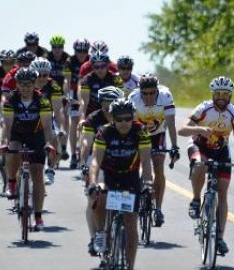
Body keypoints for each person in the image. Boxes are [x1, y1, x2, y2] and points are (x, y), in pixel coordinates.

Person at [178, 76, 234, 255]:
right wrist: (199, 129)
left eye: (225, 94)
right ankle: (195, 199)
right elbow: (182, 129)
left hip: (221, 151)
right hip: (199, 146)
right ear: (213, 94)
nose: (221, 97)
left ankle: (219, 238)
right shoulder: (203, 108)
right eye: (218, 94)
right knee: (200, 165)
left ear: (230, 95)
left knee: (223, 194)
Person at [87, 98, 152, 270]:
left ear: (133, 117)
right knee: (99, 195)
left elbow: (146, 162)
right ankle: (100, 233)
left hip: (130, 178)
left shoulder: (141, 131)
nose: (124, 122)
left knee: (131, 224)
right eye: (119, 119)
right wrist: (93, 183)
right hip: (109, 176)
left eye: (128, 118)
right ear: (113, 119)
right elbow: (95, 162)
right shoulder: (104, 132)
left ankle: (130, 266)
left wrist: (148, 183)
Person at [1, 67, 54, 230]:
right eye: (22, 85)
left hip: (36, 135)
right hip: (17, 133)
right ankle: (11, 182)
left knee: (37, 174)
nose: (25, 88)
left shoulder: (42, 101)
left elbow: (46, 126)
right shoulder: (11, 100)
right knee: (13, 150)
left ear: (34, 84)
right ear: (17, 85)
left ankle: (38, 216)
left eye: (29, 85)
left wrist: (48, 143)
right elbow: (7, 125)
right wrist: (4, 142)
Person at [128, 73, 179, 227]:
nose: (149, 97)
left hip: (158, 134)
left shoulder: (165, 96)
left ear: (157, 90)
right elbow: (128, 125)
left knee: (158, 165)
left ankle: (158, 209)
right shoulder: (133, 98)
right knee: (138, 165)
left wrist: (175, 146)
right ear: (139, 91)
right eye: (145, 93)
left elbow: (170, 124)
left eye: (152, 93)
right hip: (138, 134)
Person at [80, 86, 124, 256]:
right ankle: (94, 238)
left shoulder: (124, 117)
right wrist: (84, 163)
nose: (108, 106)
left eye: (112, 102)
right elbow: (86, 144)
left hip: (119, 158)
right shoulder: (93, 118)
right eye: (105, 102)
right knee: (94, 199)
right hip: (97, 156)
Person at [29, 57, 65, 185]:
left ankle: (50, 169)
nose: (42, 78)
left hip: (47, 117)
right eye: (39, 75)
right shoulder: (27, 83)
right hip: (28, 116)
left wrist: (60, 128)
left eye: (45, 75)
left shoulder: (53, 85)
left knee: (57, 147)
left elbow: (58, 109)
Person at [63, 38, 91, 169]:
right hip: (74, 91)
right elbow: (66, 82)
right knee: (74, 120)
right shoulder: (70, 61)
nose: (82, 53)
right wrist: (67, 96)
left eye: (84, 51)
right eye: (79, 51)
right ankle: (73, 153)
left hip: (89, 92)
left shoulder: (91, 61)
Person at [78, 51, 123, 118]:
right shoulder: (87, 79)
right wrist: (82, 119)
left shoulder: (116, 79)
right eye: (96, 67)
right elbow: (84, 103)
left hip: (111, 113)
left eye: (103, 66)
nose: (100, 69)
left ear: (107, 66)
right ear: (93, 67)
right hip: (92, 115)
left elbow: (121, 99)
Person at [47, 35, 71, 161]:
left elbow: (67, 80)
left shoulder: (67, 59)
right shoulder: (46, 57)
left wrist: (66, 95)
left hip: (62, 91)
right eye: (54, 47)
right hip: (48, 90)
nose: (57, 50)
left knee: (65, 115)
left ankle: (63, 146)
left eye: (60, 47)